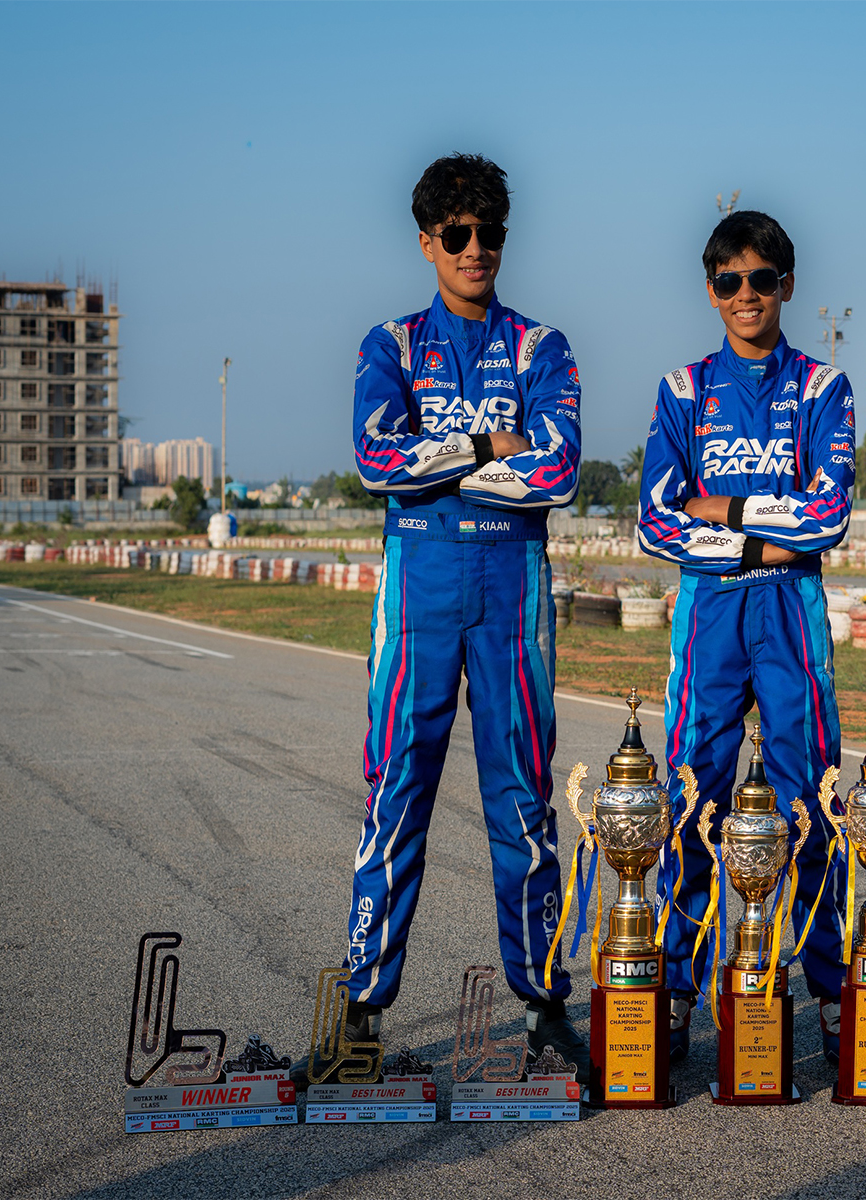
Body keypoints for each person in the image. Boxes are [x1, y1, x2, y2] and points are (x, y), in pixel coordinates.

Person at [298, 153, 588, 1082]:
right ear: (426, 243)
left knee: (522, 803)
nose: (475, 250)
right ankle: (362, 1013)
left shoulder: (545, 347)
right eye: (456, 235)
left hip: (512, 593)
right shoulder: (389, 342)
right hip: (418, 591)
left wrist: (445, 458)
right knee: (396, 796)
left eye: (489, 234)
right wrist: (484, 443)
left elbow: (559, 470)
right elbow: (377, 462)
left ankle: (543, 1006)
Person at [636, 210, 855, 1065]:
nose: (746, 295)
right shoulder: (683, 389)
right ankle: (680, 992)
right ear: (710, 290)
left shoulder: (822, 389)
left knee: (815, 804)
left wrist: (724, 509)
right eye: (729, 281)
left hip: (791, 610)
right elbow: (655, 522)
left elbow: (828, 516)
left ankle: (835, 992)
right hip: (710, 615)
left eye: (762, 279)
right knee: (694, 800)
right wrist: (772, 527)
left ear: (787, 286)